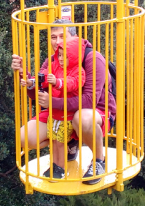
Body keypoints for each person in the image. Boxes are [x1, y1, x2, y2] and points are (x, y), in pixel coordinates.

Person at [11, 20, 116, 185]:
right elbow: (38, 93)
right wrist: (25, 76)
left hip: (93, 111)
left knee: (82, 118)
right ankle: (70, 142)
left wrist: (52, 103)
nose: (57, 42)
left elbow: (90, 101)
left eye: (62, 36)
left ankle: (98, 161)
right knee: (24, 138)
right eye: (53, 37)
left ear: (74, 37)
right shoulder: (53, 60)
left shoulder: (92, 58)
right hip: (60, 111)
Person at [20, 37, 86, 179]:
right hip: (54, 114)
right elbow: (44, 74)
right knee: (55, 142)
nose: (61, 59)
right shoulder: (55, 66)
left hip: (65, 115)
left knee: (61, 143)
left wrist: (58, 82)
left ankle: (61, 168)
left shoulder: (78, 71)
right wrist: (31, 81)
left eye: (65, 56)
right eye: (60, 55)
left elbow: (73, 83)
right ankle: (55, 165)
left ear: (74, 57)